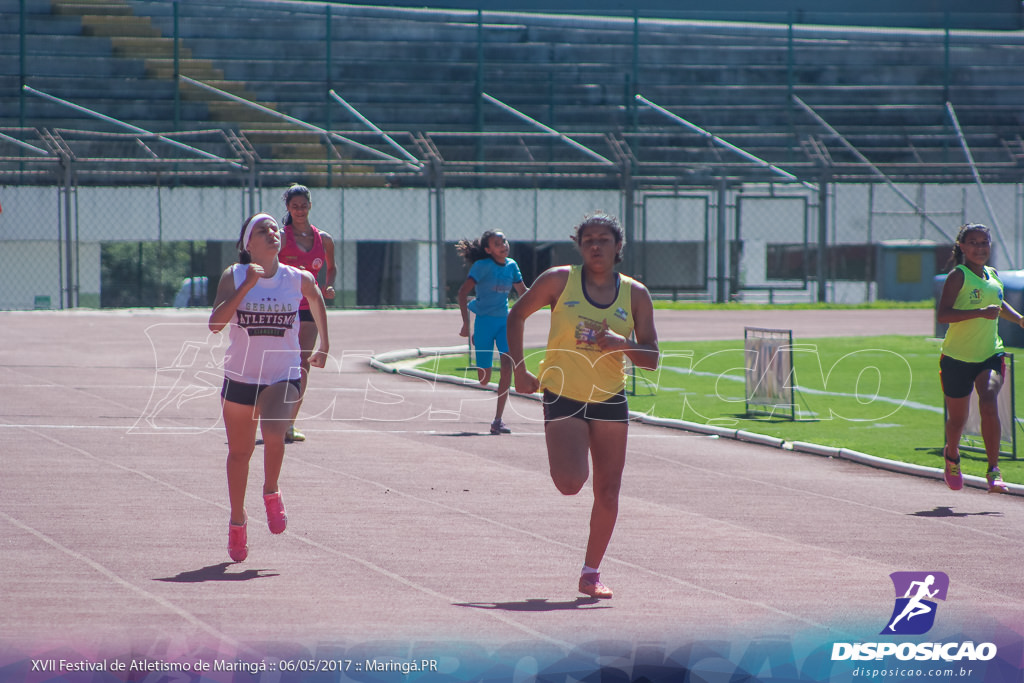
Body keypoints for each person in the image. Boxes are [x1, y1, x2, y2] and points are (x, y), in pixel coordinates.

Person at [506, 212, 659, 598]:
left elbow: (652, 357)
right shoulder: (559, 280)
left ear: (618, 246)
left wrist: (619, 343)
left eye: (604, 239)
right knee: (571, 483)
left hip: (610, 398)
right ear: (579, 246)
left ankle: (591, 573)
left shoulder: (635, 294)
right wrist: (519, 369)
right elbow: (517, 314)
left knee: (608, 492)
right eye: (588, 239)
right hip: (564, 393)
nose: (595, 245)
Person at [209, 212, 330, 562]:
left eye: (275, 228)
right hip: (241, 377)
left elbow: (317, 296)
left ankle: (271, 490)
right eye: (264, 230)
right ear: (249, 243)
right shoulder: (234, 276)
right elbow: (215, 324)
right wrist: (246, 288)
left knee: (275, 432)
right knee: (239, 455)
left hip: (283, 373)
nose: (274, 233)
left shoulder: (296, 278)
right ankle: (237, 521)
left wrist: (324, 344)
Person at [936, 222, 1021, 494]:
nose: (979, 248)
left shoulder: (993, 275)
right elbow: (944, 315)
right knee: (958, 420)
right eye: (973, 243)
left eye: (984, 243)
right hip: (957, 358)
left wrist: (1019, 319)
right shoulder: (957, 277)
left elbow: (997, 303)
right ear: (962, 247)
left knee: (988, 401)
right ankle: (952, 456)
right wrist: (978, 312)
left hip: (990, 354)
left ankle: (993, 470)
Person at [278, 184, 336, 444]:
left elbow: (331, 268)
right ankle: (268, 413)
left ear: (310, 206)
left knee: (302, 364)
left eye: (303, 205)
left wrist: (329, 284)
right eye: (294, 206)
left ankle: (289, 423)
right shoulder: (279, 237)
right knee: (278, 363)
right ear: (288, 208)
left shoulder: (324, 239)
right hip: (282, 308)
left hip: (308, 307)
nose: (299, 210)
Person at [456, 230, 528, 435]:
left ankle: (498, 420)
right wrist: (465, 324)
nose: (503, 245)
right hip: (484, 322)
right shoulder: (481, 267)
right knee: (484, 379)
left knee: (507, 366)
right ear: (488, 250)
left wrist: (549, 299)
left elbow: (524, 292)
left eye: (504, 240)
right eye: (497, 243)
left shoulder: (512, 266)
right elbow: (462, 293)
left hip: (505, 322)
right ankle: (478, 340)